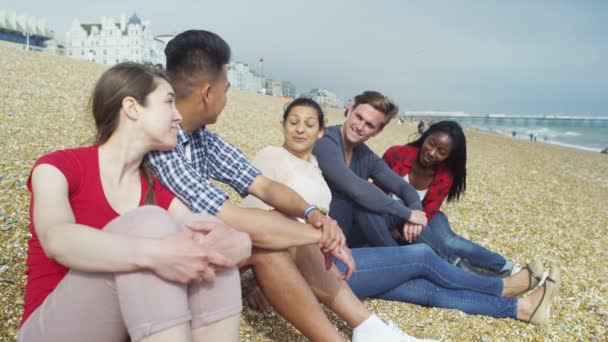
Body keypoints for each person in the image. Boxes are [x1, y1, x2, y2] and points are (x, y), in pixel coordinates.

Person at [146, 30, 418, 341]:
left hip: (204, 245)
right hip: (165, 263)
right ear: (208, 92)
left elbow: (261, 184)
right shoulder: (163, 142)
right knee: (275, 239)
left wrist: (314, 214)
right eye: (227, 88)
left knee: (280, 236)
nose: (227, 97)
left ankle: (364, 331)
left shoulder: (199, 137)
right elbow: (231, 217)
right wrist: (320, 235)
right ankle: (362, 332)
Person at [243, 97, 561, 324]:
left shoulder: (313, 163)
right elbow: (255, 221)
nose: (301, 130)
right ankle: (504, 286)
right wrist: (256, 278)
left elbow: (399, 186)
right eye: (294, 122)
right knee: (421, 258)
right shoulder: (273, 155)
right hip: (302, 270)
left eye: (310, 124)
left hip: (330, 259)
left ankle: (521, 309)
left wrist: (412, 206)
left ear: (320, 128)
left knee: (423, 290)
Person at [18, 63, 252, 342]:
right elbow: (57, 239)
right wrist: (154, 253)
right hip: (53, 331)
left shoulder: (156, 188)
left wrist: (239, 242)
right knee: (149, 222)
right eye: (168, 102)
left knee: (203, 229)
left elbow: (203, 234)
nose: (179, 116)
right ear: (132, 108)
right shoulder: (59, 167)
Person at [381, 121, 517, 276]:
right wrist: (392, 226)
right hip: (389, 213)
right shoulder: (396, 154)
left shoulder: (445, 176)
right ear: (425, 137)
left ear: (448, 156)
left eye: (441, 152)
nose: (432, 153)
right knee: (433, 244)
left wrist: (409, 224)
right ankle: (466, 271)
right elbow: (375, 191)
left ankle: (505, 266)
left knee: (448, 240)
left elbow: (429, 211)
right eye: (431, 143)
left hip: (425, 215)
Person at [313, 90, 428, 249]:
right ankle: (402, 258)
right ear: (350, 111)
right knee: (362, 203)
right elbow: (355, 188)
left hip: (354, 231)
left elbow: (403, 187)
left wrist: (415, 211)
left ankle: (448, 258)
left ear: (377, 131)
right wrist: (408, 214)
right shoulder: (325, 140)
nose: (360, 127)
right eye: (359, 117)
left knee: (414, 221)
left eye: (369, 125)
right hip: (326, 235)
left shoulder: (365, 154)